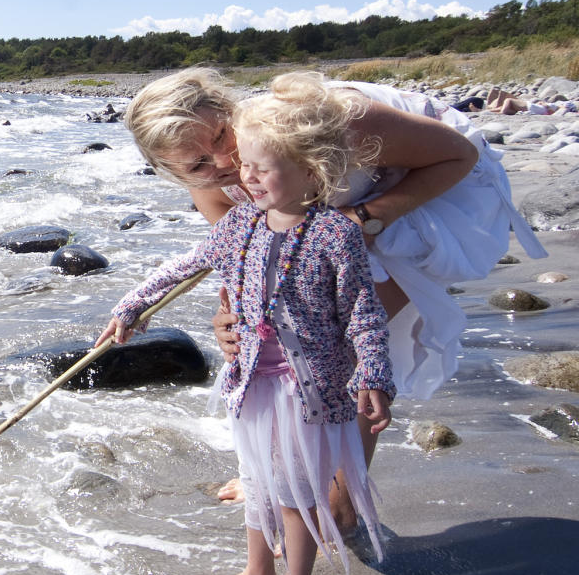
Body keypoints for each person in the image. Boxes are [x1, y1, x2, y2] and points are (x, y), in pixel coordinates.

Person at [122, 68, 546, 523]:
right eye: (197, 164)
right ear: (174, 170)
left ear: (229, 108)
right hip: (327, 205)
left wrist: (358, 220)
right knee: (271, 342)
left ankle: (341, 500)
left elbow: (456, 156)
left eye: (222, 134)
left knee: (335, 344)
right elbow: (245, 255)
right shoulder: (207, 180)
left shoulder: (335, 119)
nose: (225, 160)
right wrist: (230, 322)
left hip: (431, 182)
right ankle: (290, 475)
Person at [97, 75, 395, 575]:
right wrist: (133, 306)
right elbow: (184, 266)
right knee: (258, 478)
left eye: (260, 166)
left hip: (309, 389)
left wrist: (374, 374)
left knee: (295, 492)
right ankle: (259, 570)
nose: (244, 176)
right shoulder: (239, 224)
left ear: (312, 170)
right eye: (246, 167)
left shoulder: (335, 234)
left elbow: (364, 311)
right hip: (251, 379)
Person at [486, 86, 578, 115]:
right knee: (511, 108)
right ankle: (487, 111)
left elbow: (559, 109)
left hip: (535, 107)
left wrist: (546, 105)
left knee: (509, 100)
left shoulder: (567, 106)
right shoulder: (565, 107)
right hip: (535, 108)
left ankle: (500, 111)